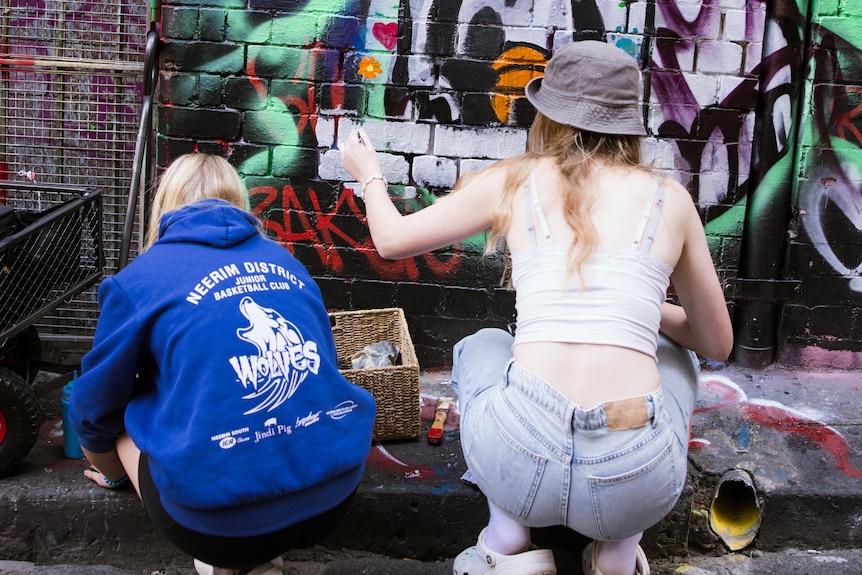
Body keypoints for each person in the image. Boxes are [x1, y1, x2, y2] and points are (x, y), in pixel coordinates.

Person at [340, 40, 733, 575]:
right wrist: (641, 310)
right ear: (627, 124)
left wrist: (368, 172)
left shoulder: (515, 180)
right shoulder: (671, 200)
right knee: (678, 360)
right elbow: (716, 343)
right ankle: (616, 553)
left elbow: (391, 239)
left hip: (519, 464)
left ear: (548, 114)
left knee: (482, 347)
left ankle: (506, 536)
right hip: (633, 481)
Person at [69, 153, 376, 575]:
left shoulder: (138, 281)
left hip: (212, 528)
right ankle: (259, 560)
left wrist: (113, 472)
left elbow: (92, 411)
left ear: (165, 205)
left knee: (118, 409)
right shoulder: (288, 262)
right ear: (238, 200)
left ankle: (230, 562)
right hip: (333, 497)